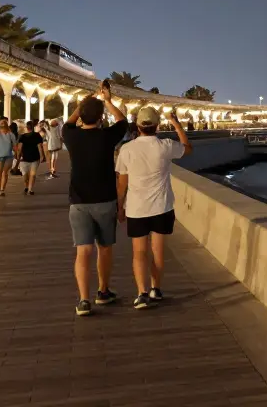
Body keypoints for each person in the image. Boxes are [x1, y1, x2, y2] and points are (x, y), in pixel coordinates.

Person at [62, 82, 128, 317]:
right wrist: (107, 100)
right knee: (105, 248)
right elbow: (123, 122)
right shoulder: (107, 137)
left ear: (81, 116)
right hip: (105, 200)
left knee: (83, 252)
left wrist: (87, 102)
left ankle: (83, 300)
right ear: (101, 117)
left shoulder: (71, 136)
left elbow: (68, 122)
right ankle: (103, 291)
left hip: (78, 202)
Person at [117, 107, 192, 309]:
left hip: (136, 208)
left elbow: (122, 182)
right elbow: (187, 148)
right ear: (157, 125)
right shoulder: (165, 146)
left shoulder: (127, 149)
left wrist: (119, 206)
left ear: (138, 126)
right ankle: (156, 289)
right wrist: (176, 124)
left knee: (139, 252)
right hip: (162, 206)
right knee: (158, 250)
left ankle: (142, 293)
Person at [15, 118, 47, 195]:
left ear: (27, 127)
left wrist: (18, 157)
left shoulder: (35, 135)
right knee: (28, 175)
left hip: (31, 159)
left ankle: (30, 189)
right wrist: (42, 156)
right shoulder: (23, 136)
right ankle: (28, 187)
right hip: (28, 158)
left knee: (30, 175)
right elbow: (40, 147)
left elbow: (39, 146)